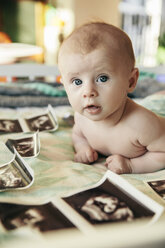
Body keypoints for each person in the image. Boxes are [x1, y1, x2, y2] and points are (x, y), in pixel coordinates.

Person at [58, 22, 165, 174]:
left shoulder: (143, 125)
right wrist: (82, 147)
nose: (88, 92)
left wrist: (132, 165)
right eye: (77, 82)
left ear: (131, 81)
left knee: (159, 99)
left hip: (160, 110)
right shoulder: (82, 118)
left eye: (102, 78)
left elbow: (162, 153)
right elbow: (78, 134)